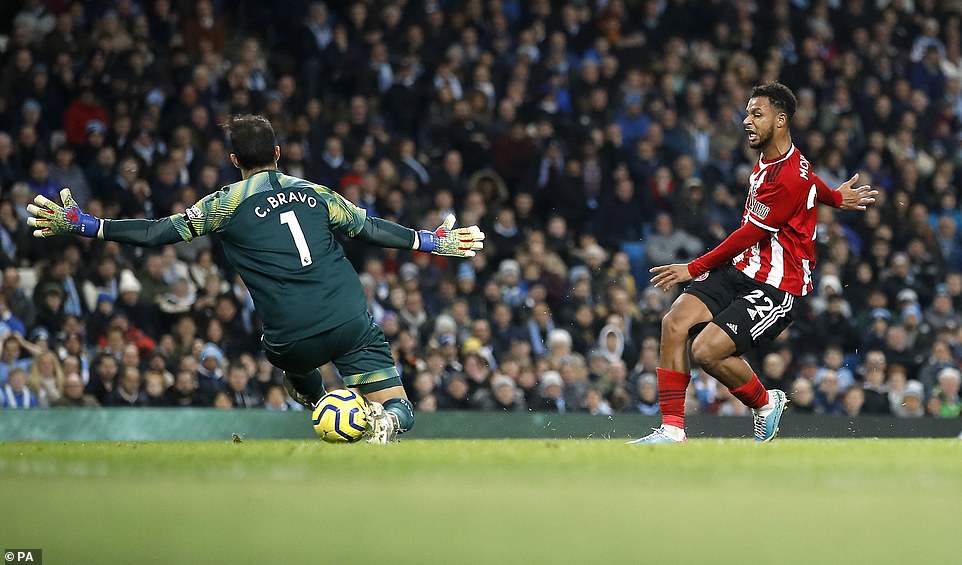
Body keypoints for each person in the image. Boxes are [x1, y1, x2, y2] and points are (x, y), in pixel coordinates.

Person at [26, 114, 485, 443]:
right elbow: (371, 229)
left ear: (233, 159)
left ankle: (321, 405)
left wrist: (90, 225)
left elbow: (157, 232)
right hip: (349, 319)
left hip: (291, 337)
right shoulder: (316, 192)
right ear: (278, 154)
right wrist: (431, 241)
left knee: (296, 368)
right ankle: (386, 420)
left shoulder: (224, 203)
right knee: (400, 404)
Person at [630, 82, 878, 443]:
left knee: (705, 351)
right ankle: (671, 430)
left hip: (777, 286)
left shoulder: (786, 178)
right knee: (674, 322)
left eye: (756, 114)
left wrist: (693, 268)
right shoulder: (781, 159)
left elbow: (749, 234)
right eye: (747, 113)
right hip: (741, 268)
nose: (746, 120)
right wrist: (835, 198)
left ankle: (764, 403)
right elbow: (810, 180)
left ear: (780, 120)